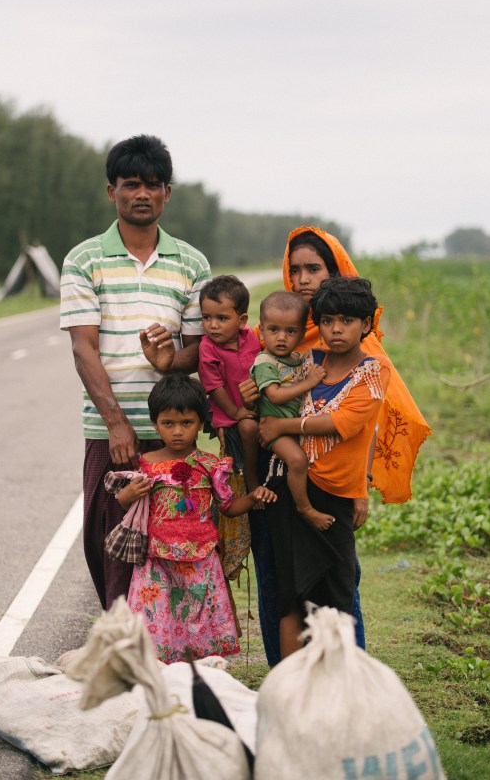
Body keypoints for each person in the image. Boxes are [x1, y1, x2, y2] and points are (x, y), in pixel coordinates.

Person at [243, 225, 431, 663]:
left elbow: (367, 425)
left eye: (315, 268)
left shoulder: (364, 359)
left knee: (339, 585)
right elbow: (257, 384)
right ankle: (289, 680)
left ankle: (347, 677)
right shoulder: (282, 334)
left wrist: (363, 483)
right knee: (284, 585)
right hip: (284, 483)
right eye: (296, 270)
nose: (304, 279)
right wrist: (251, 395)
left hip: (337, 484)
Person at [60, 134, 211, 611]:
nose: (141, 194)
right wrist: (116, 423)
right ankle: (123, 647)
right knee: (109, 543)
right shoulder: (83, 260)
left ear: (167, 192)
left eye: (152, 184)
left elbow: (198, 352)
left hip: (175, 431)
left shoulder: (192, 263)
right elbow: (84, 349)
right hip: (111, 430)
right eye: (130, 184)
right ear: (112, 191)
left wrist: (170, 360)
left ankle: (167, 656)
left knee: (172, 546)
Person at [258, 277, 391, 658]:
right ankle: (291, 688)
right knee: (291, 595)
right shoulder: (308, 361)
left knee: (336, 595)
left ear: (366, 324)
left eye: (347, 320)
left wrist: (282, 427)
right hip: (291, 488)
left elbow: (344, 424)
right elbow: (270, 396)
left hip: (335, 497)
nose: (336, 329)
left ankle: (337, 686)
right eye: (329, 320)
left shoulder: (373, 371)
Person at [112, 374, 277, 663]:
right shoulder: (145, 465)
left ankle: (199, 681)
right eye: (168, 424)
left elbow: (228, 506)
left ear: (201, 423)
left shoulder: (212, 466)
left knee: (199, 624)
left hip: (201, 560)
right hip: (157, 561)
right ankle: (161, 682)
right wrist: (129, 495)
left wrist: (252, 498)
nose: (177, 432)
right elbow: (124, 504)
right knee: (158, 624)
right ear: (155, 424)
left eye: (186, 423)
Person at [251, 291, 333, 531]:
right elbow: (275, 396)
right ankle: (304, 508)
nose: (281, 338)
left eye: (290, 331)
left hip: (293, 425)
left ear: (301, 333)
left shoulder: (297, 359)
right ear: (262, 329)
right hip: (274, 427)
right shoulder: (265, 361)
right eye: (273, 329)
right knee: (298, 461)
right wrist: (309, 382)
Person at [197, 275, 261, 494]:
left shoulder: (251, 337)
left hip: (257, 408)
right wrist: (237, 412)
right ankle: (251, 482)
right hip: (231, 416)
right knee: (246, 434)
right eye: (206, 317)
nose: (213, 325)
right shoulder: (208, 348)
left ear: (241, 320)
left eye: (222, 318)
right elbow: (215, 388)